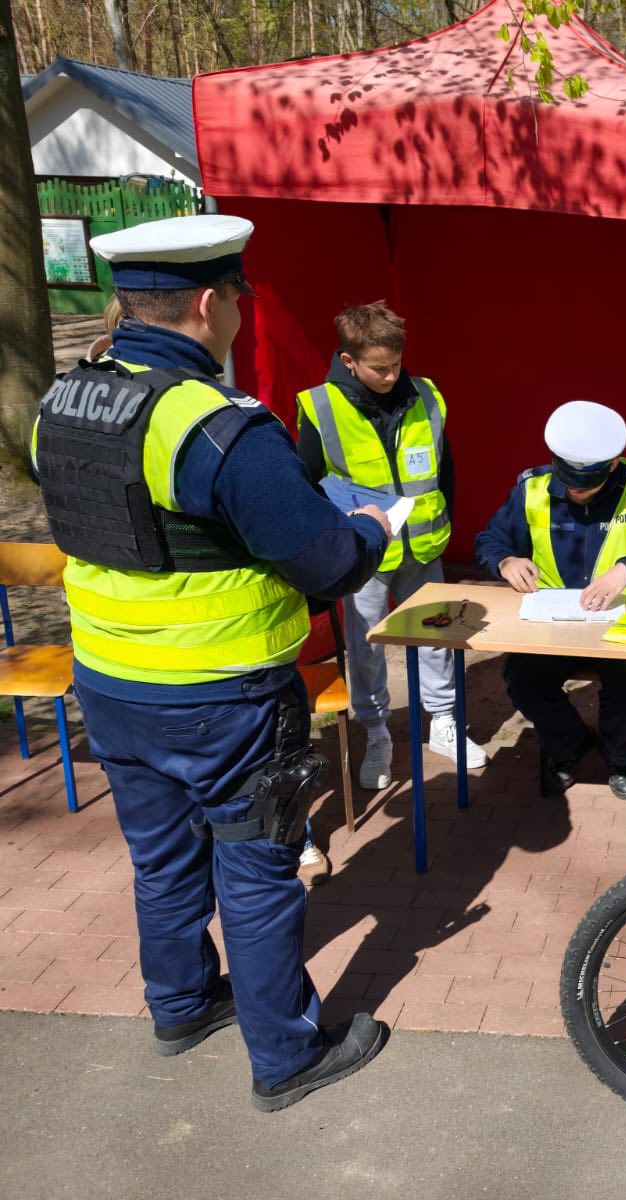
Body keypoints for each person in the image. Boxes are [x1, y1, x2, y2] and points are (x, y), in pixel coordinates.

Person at [31, 213, 391, 1110]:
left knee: (160, 858)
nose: (240, 306)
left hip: (109, 684)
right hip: (220, 696)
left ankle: (182, 1005)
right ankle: (286, 1056)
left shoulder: (58, 404)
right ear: (207, 302)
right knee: (258, 867)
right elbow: (322, 562)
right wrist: (369, 529)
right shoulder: (218, 425)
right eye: (238, 293)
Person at [295, 302, 486, 796]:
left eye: (396, 364)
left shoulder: (426, 395)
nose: (390, 375)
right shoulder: (320, 406)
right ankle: (376, 731)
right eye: (379, 367)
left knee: (440, 635)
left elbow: (446, 470)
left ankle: (444, 721)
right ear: (349, 359)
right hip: (362, 553)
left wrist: (445, 524)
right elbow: (306, 482)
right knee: (365, 647)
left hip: (423, 546)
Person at [474, 400, 626, 801]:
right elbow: (490, 540)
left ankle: (617, 758)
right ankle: (569, 745)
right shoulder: (532, 486)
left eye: (586, 485)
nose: (575, 492)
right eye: (569, 483)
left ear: (612, 465)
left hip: (625, 625)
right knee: (522, 678)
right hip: (554, 627)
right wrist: (505, 560)